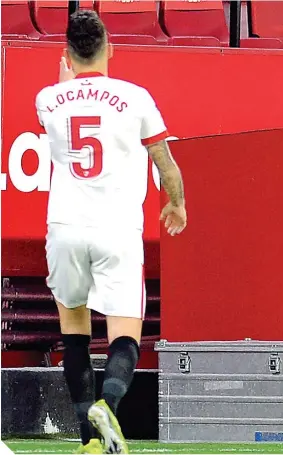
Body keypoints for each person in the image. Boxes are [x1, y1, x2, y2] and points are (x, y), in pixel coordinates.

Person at [35, 10, 187, 454]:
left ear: (66, 54)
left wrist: (64, 82)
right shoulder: (135, 97)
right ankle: (109, 403)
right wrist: (176, 203)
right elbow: (165, 161)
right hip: (116, 228)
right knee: (125, 334)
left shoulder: (49, 99)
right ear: (110, 49)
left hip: (64, 229)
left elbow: (60, 102)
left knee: (74, 331)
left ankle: (90, 442)